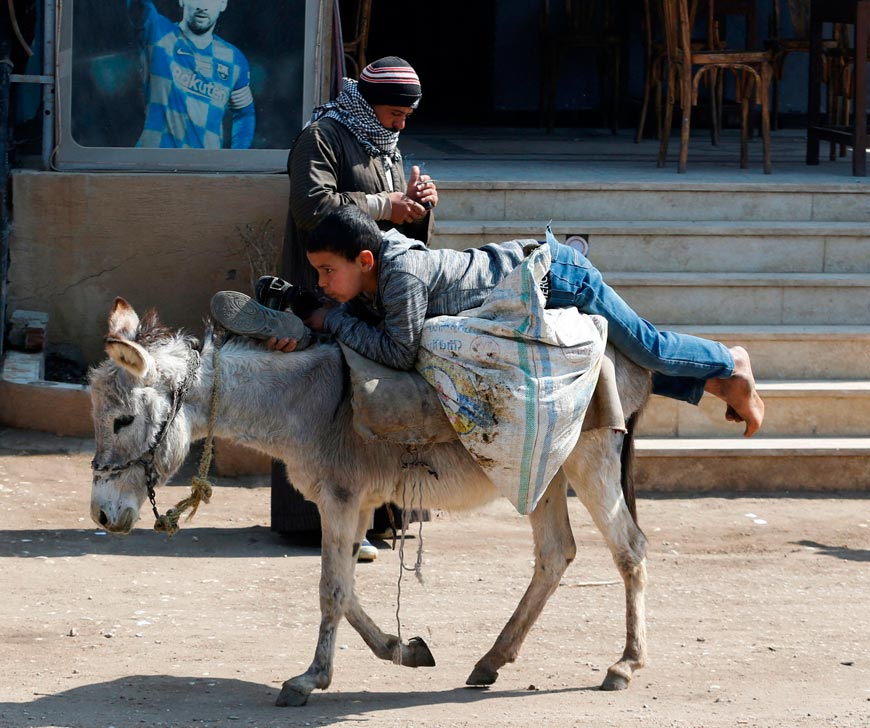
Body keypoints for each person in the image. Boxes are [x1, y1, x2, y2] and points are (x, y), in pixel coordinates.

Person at [251, 205, 764, 438]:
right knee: (623, 361)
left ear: (364, 261)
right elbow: (367, 329)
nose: (322, 282)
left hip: (558, 278)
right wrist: (316, 318)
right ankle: (716, 385)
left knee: (646, 348)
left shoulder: (400, 273)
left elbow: (399, 352)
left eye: (327, 272)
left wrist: (330, 319)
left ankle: (728, 359)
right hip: (519, 297)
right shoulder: (372, 276)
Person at [267, 56, 436, 560]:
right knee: (321, 405)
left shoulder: (382, 142)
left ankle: (376, 517)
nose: (401, 124)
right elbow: (313, 208)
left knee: (371, 403)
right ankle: (323, 522)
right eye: (393, 113)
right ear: (367, 103)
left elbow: (389, 228)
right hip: (322, 287)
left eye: (407, 116)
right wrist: (387, 204)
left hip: (368, 296)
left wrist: (417, 205)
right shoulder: (321, 136)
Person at [126, 0, 255, 149]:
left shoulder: (234, 59)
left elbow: (245, 114)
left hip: (205, 167)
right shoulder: (158, 33)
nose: (202, 6)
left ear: (223, 4)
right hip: (153, 164)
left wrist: (237, 157)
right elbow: (138, 5)